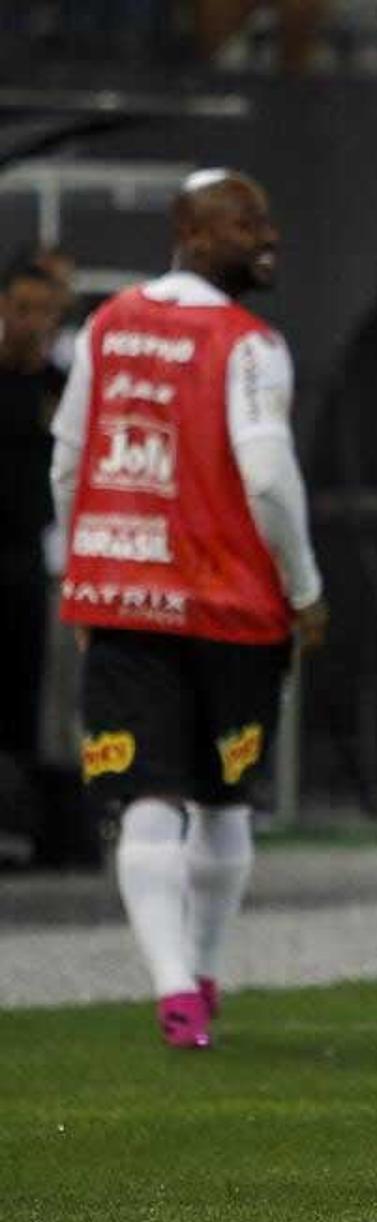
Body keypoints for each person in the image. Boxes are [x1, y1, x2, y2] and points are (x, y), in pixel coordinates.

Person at [48, 170, 327, 1047]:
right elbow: (269, 477)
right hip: (230, 607)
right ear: (190, 232)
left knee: (148, 801)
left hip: (123, 597)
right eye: (247, 222)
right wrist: (306, 587)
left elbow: (67, 456)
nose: (268, 235)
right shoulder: (250, 344)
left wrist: (84, 561)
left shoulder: (107, 324)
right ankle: (193, 979)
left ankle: (177, 987)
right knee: (222, 802)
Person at [0, 258, 68, 814]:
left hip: (28, 560)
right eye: (22, 309)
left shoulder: (60, 391)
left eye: (44, 311)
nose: (32, 322)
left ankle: (20, 813)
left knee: (26, 686)